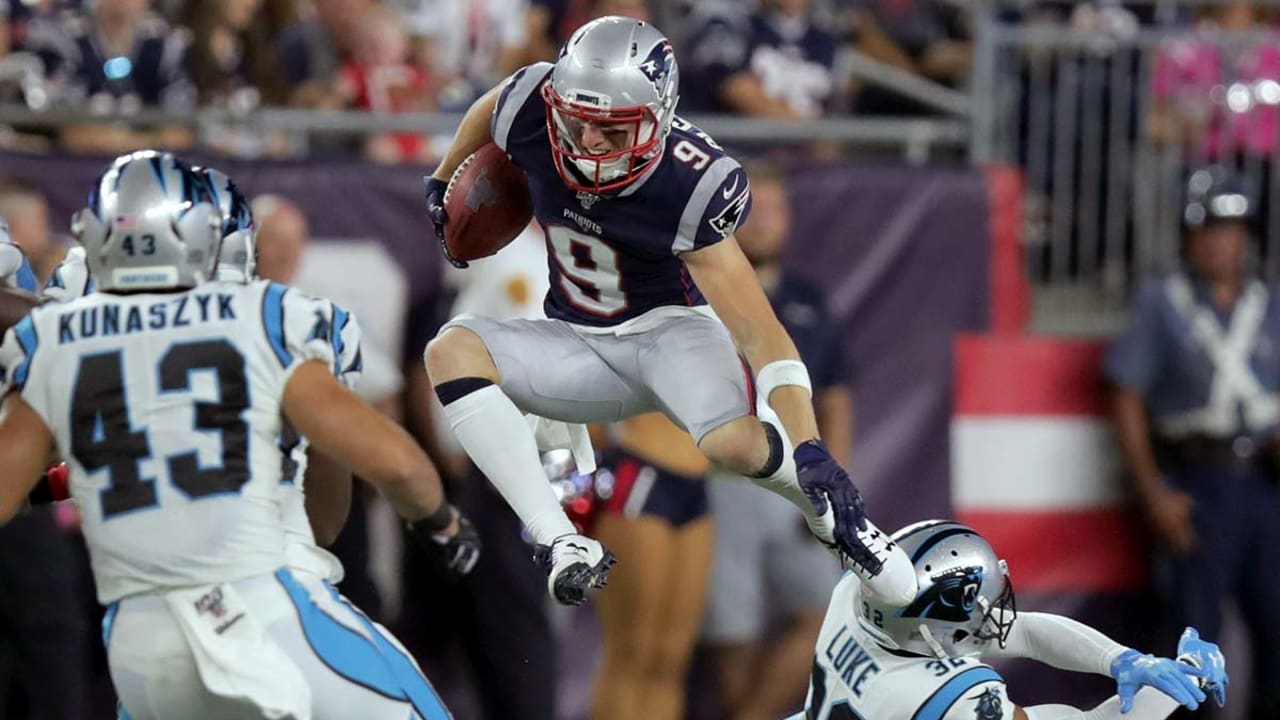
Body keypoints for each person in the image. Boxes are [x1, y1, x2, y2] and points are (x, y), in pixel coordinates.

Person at [422, 14, 915, 607]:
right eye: (576, 123)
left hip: (669, 334)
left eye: (611, 130)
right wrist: (445, 174)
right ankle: (559, 540)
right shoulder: (535, 104)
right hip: (575, 337)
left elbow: (761, 333)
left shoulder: (692, 182)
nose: (588, 144)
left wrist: (810, 444)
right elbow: (496, 102)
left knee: (732, 442)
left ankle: (833, 513)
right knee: (449, 351)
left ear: (658, 118)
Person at [0, 150, 476, 720]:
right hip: (261, 614)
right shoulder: (269, 318)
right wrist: (441, 522)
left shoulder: (56, 337)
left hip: (138, 649)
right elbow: (378, 481)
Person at [1104, 166, 1280, 719]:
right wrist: (1153, 490)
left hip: (1266, 485)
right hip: (1198, 481)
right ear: (1188, 236)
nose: (1220, 242)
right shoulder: (1164, 303)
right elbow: (1125, 394)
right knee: (1192, 642)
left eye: (1231, 229)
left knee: (1277, 627)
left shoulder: (1268, 302)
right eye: (1208, 229)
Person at [800, 519, 1229, 720]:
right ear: (933, 633)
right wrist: (1188, 675)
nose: (994, 616)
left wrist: (1122, 660)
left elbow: (1021, 631)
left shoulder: (857, 597)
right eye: (978, 609)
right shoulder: (952, 698)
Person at [702, 160, 852, 720]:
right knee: (730, 631)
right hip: (722, 479)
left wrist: (830, 473)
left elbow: (836, 396)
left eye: (775, 209)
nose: (764, 223)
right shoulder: (695, 293)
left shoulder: (809, 299)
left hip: (795, 478)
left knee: (824, 613)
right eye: (752, 210)